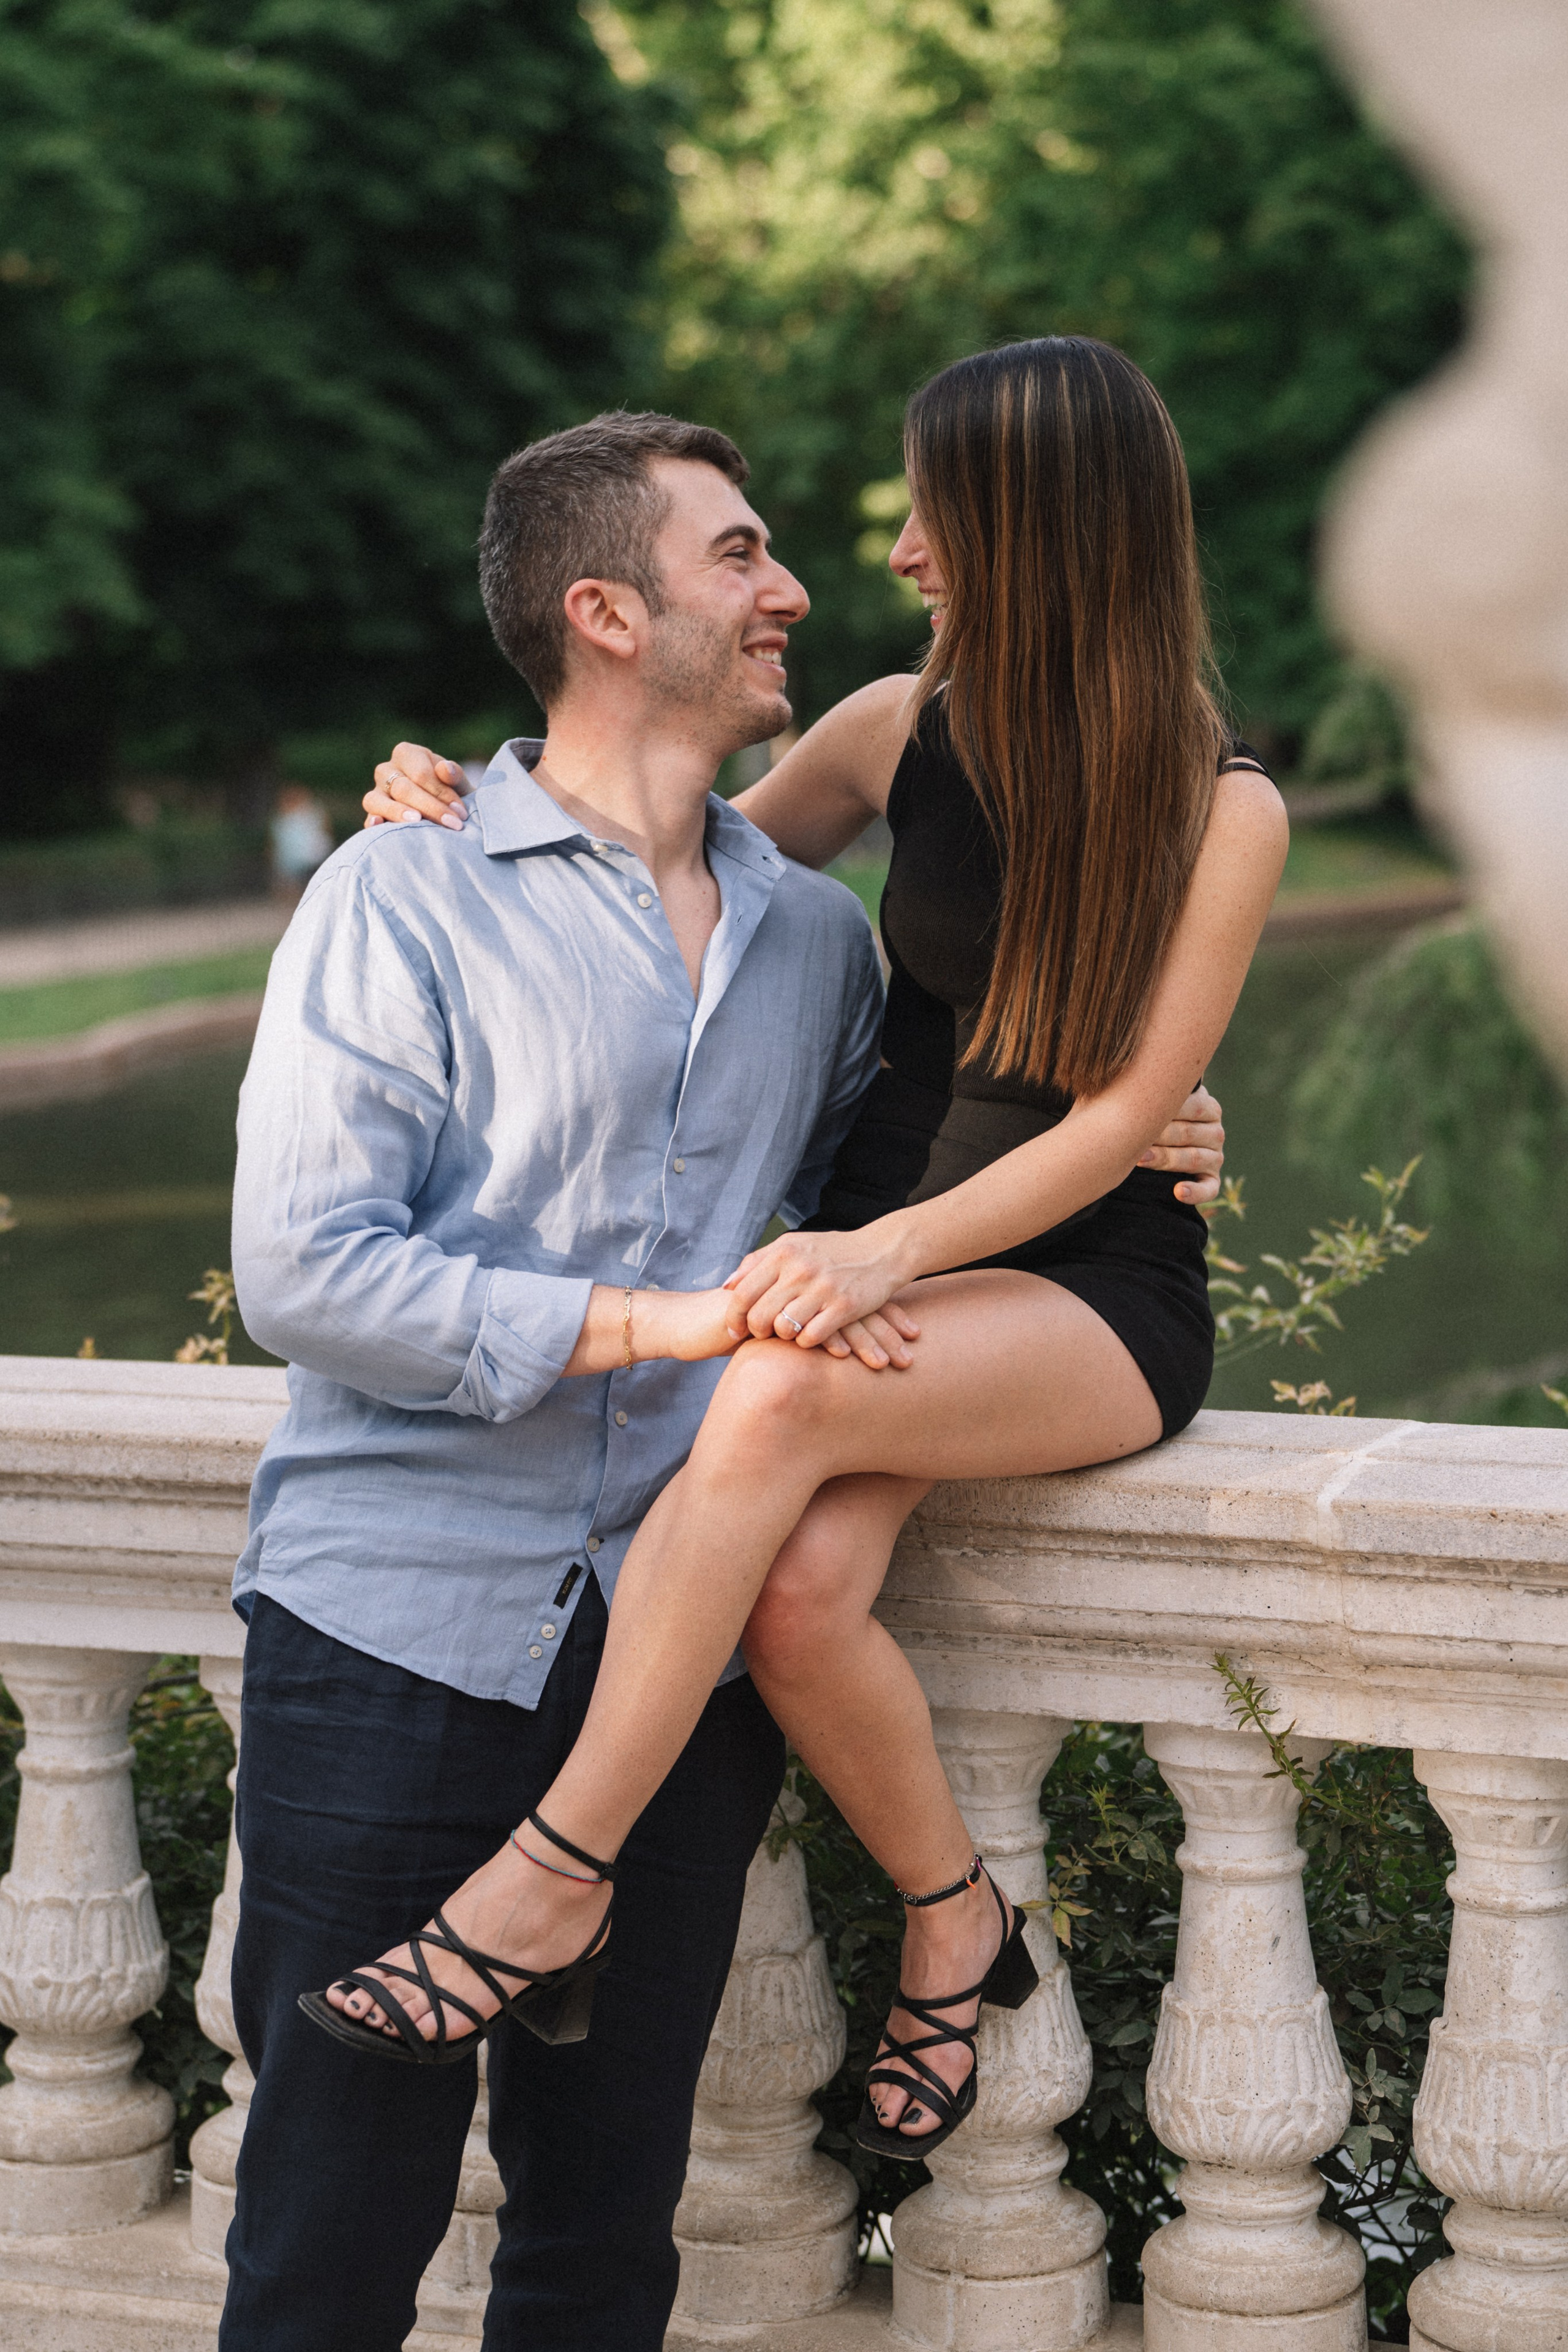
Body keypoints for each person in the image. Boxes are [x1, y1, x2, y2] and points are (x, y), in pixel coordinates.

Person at [230, 400, 1227, 2351]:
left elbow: (926, 1160)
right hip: (395, 1627)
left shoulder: (814, 948)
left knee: (604, 2253)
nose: (802, 588)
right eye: (740, 554)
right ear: (606, 613)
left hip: (671, 1658)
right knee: (325, 2252)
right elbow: (308, 1273)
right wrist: (657, 1325)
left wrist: (1154, 1125)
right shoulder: (405, 890)